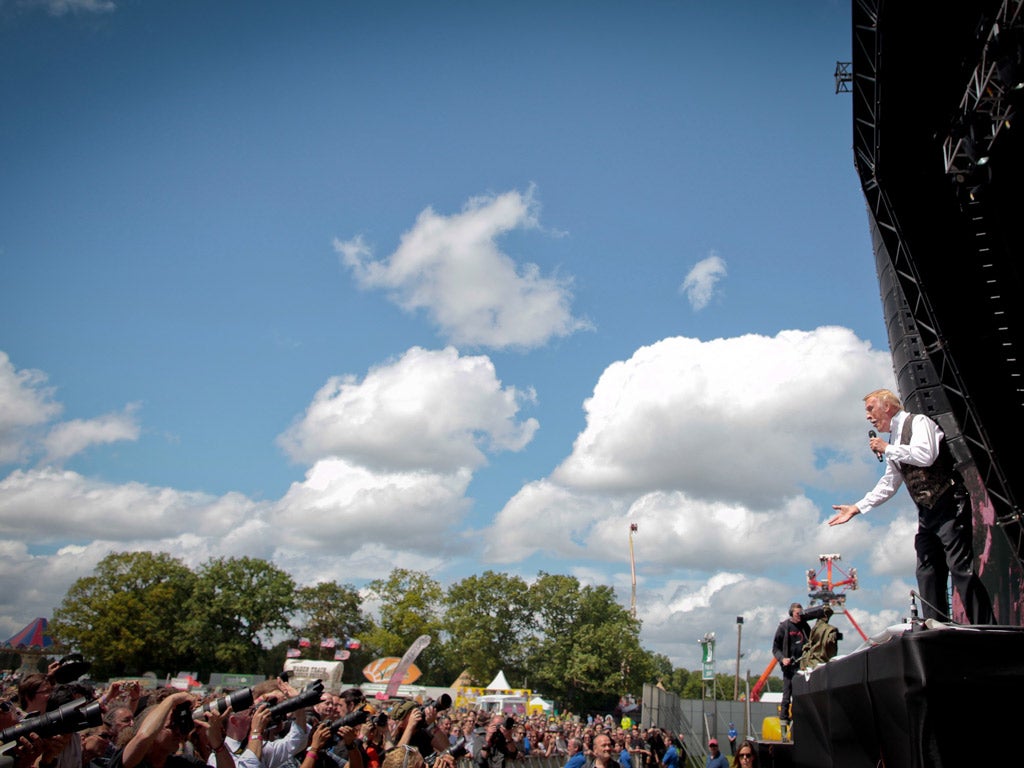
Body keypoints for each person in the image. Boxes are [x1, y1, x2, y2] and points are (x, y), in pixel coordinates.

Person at [828, 388, 995, 624]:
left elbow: (925, 455)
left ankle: (987, 628)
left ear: (887, 406)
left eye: (870, 409)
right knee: (926, 571)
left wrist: (887, 449)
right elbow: (889, 483)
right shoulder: (894, 439)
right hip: (927, 512)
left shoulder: (919, 423)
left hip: (948, 502)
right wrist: (857, 507)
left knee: (959, 568)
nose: (868, 416)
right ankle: (938, 627)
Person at [772, 603, 810, 725]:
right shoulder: (784, 627)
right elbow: (775, 648)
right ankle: (784, 722)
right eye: (797, 613)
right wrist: (783, 659)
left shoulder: (805, 627)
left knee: (800, 696)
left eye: (801, 613)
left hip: (803, 667)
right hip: (789, 668)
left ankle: (798, 721)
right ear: (791, 613)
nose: (800, 616)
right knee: (787, 696)